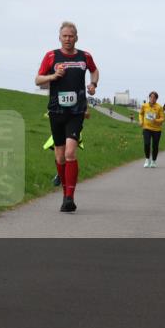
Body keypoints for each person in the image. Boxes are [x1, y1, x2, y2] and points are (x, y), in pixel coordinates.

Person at [35, 22, 99, 213]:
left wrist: (93, 84)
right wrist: (53, 76)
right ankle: (65, 194)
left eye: (71, 36)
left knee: (71, 153)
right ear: (60, 37)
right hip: (56, 111)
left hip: (77, 111)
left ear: (76, 37)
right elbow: (38, 79)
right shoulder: (51, 56)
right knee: (60, 156)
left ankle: (70, 197)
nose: (68, 39)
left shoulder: (85, 56)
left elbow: (94, 70)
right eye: (64, 36)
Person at [138, 91, 165, 168]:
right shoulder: (144, 106)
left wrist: (156, 120)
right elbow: (141, 114)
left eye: (154, 97)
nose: (152, 99)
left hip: (156, 129)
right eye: (151, 97)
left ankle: (153, 161)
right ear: (149, 98)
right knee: (147, 144)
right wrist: (141, 121)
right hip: (146, 128)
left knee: (155, 146)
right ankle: (147, 159)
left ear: (156, 99)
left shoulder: (159, 107)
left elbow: (162, 118)